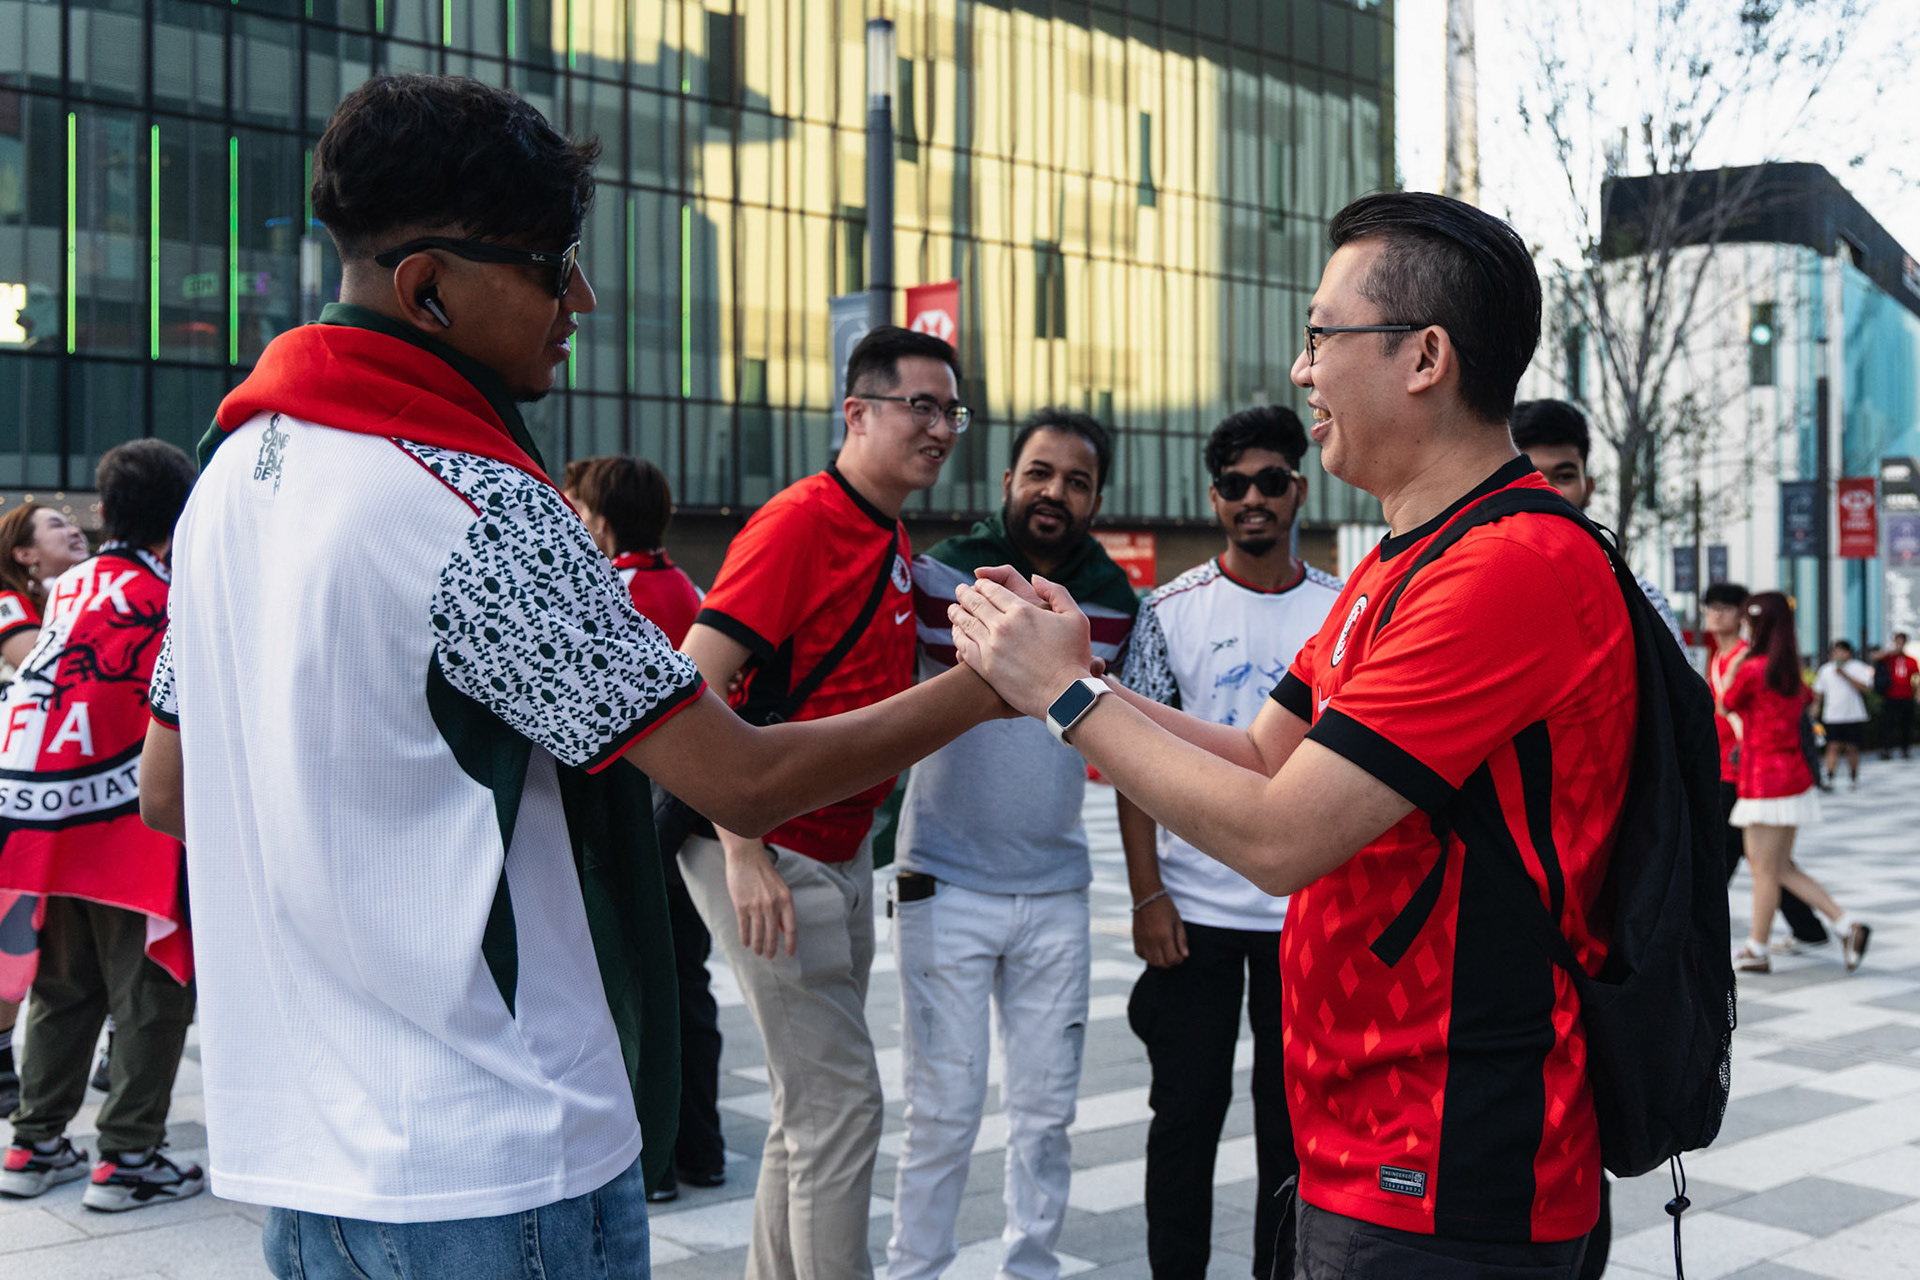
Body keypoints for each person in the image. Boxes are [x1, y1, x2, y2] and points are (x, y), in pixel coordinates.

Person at [136, 75, 1005, 1280]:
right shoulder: (473, 500)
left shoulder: (229, 470)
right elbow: (738, 780)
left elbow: (166, 785)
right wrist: (994, 679)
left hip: (304, 1161)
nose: (579, 299)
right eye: (551, 265)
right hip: (496, 1157)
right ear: (427, 285)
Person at [950, 192, 1637, 1277]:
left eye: (1322, 334)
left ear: (1425, 356)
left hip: (1453, 1153)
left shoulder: (1509, 569)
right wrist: (1077, 675)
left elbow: (1279, 836)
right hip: (1368, 1131)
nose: (1303, 369)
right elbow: (1267, 754)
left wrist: (1069, 700)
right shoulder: (1404, 558)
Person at [674, 322, 967, 1280]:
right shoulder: (803, 521)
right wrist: (743, 845)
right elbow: (692, 683)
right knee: (844, 1106)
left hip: (837, 850)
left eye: (951, 411)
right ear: (857, 413)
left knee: (810, 1113)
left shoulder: (885, 532)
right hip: (769, 845)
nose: (940, 428)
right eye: (920, 406)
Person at [887, 409, 1138, 1280]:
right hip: (943, 882)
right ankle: (915, 1269)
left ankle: (1031, 1265)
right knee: (943, 1110)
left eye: (1075, 480)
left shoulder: (1114, 599)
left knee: (1045, 1113)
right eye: (1039, 473)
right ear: (1007, 483)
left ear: (1096, 497)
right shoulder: (940, 574)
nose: (1053, 493)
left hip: (1057, 890)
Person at [1114, 405, 1340, 1280]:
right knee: (1184, 1122)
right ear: (1216, 500)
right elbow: (1134, 764)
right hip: (1195, 917)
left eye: (1272, 482)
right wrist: (1147, 895)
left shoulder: (1341, 610)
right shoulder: (1167, 610)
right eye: (1237, 485)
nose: (1255, 499)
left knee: (1294, 1135)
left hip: (1307, 915)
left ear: (1298, 489)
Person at [0, 441, 201, 1212]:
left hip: (45, 817)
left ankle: (36, 1142)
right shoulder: (170, 594)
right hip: (128, 826)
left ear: (108, 513)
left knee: (64, 988)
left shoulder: (72, 586)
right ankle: (128, 1157)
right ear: (178, 520)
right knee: (151, 992)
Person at [566, 454, 723, 1205]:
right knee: (689, 982)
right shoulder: (686, 585)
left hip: (639, 817)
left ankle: (654, 1158)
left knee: (638, 984)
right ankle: (703, 1146)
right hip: (691, 815)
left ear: (601, 517)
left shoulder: (613, 590)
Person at [0, 502, 93, 1118]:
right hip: (17, 795)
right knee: (15, 929)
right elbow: (39, 661)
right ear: (25, 555)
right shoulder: (12, 606)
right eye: (55, 524)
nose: (74, 527)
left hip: (62, 789)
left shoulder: (69, 594)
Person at [1721, 593, 1870, 974]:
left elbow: (1725, 703)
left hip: (1763, 782)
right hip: (1792, 778)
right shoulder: (1787, 671)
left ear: (1757, 625)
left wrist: (1737, 663)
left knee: (1765, 869)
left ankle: (1757, 948)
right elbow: (1807, 701)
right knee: (1781, 866)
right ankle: (1844, 925)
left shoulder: (1754, 670)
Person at [1705, 583, 1827, 950]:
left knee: (1732, 861)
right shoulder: (1720, 658)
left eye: (1727, 608)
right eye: (1711, 607)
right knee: (1772, 864)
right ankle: (1812, 928)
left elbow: (1731, 705)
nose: (1717, 614)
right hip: (1740, 773)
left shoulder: (1749, 661)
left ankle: (1739, 942)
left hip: (1749, 776)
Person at [1509, 399, 1685, 646]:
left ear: (1589, 488)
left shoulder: (1642, 602)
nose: (1546, 490)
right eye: (1531, 475)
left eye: (1564, 476)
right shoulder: (1481, 595)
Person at [1811, 640, 1876, 790]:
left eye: (1842, 651)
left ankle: (1853, 777)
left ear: (1849, 653)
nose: (1839, 655)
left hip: (1854, 715)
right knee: (1832, 746)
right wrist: (1815, 707)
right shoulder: (1825, 670)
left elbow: (1866, 688)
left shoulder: (1858, 667)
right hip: (1832, 716)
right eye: (1836, 652)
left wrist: (1845, 675)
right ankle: (1830, 777)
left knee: (1852, 748)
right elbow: (1818, 692)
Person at [1875, 632, 1916, 759]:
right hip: (1891, 696)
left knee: (1906, 725)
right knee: (1888, 725)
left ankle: (1905, 749)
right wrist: (1891, 651)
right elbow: (1876, 657)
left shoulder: (1911, 660)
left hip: (1907, 696)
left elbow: (1915, 677)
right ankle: (1887, 749)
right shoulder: (1888, 658)